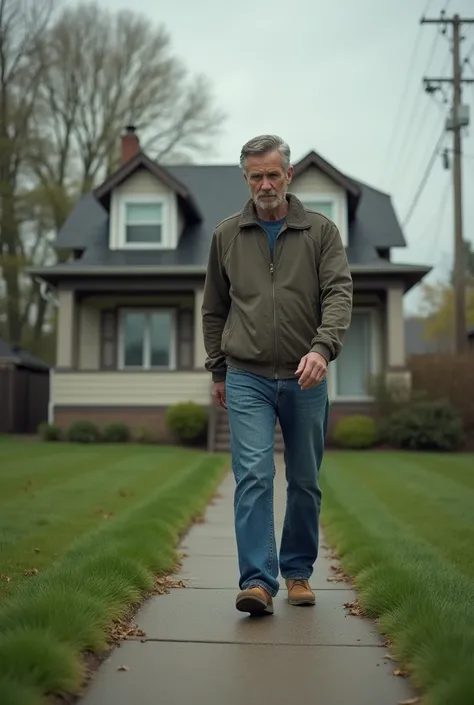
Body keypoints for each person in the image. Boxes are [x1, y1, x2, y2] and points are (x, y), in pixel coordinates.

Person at [202, 134, 353, 616]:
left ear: (288, 176)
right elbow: (214, 309)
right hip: (246, 375)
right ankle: (257, 582)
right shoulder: (227, 235)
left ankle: (298, 573)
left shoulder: (320, 231)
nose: (265, 184)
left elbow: (338, 293)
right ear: (245, 179)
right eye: (255, 176)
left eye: (273, 174)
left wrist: (322, 348)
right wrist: (218, 370)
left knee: (305, 480)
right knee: (253, 476)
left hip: (305, 376)